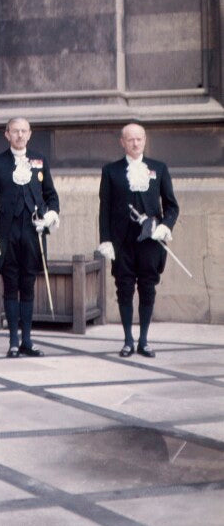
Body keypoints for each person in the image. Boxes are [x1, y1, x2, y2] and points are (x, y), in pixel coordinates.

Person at [98, 123, 179, 358]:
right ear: (122, 142)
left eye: (139, 139)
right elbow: (104, 210)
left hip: (150, 241)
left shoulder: (159, 168)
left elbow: (172, 206)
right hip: (122, 242)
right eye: (130, 139)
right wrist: (106, 240)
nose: (135, 143)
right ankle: (127, 340)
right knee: (124, 288)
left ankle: (143, 340)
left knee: (147, 288)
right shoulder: (110, 171)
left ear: (144, 140)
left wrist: (165, 226)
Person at [0, 117, 60, 358]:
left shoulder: (40, 160)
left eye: (24, 131)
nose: (20, 135)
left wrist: (50, 216)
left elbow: (51, 195)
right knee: (10, 285)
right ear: (7, 134)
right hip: (7, 233)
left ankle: (27, 339)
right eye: (15, 131)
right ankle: (13, 341)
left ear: (30, 134)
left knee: (28, 285)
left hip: (33, 232)